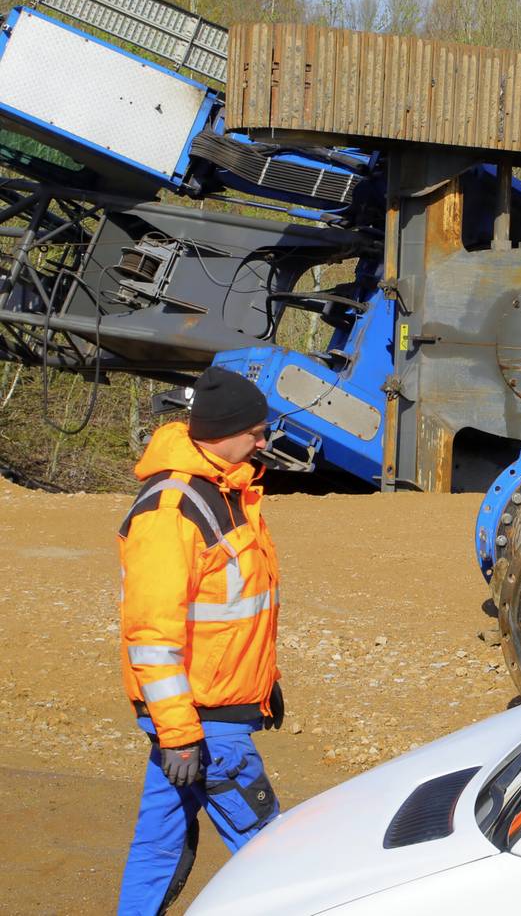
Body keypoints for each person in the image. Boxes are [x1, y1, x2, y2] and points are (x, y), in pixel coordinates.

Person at [116, 366, 284, 915]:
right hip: (202, 722)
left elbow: (237, 613)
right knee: (271, 850)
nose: (264, 441)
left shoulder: (226, 490)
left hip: (210, 710)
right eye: (256, 431)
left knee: (160, 840)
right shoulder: (173, 511)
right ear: (223, 431)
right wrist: (182, 736)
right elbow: (151, 636)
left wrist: (265, 685)